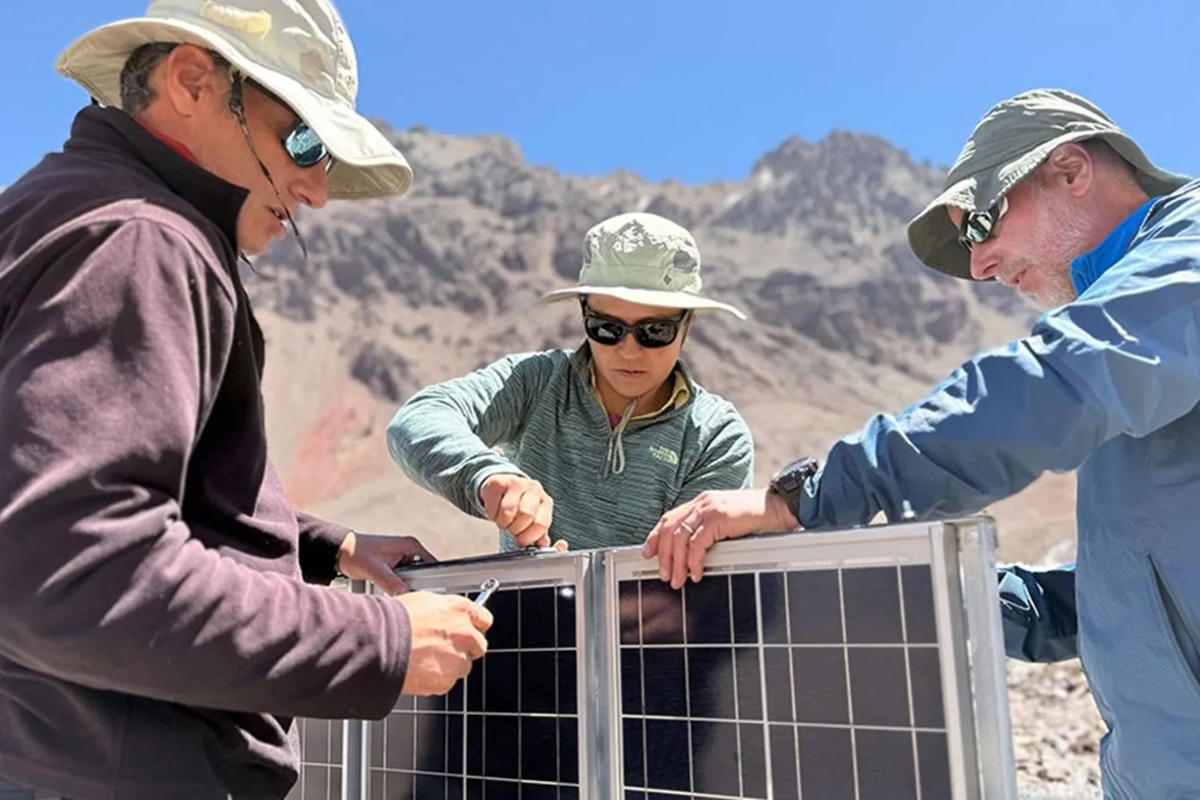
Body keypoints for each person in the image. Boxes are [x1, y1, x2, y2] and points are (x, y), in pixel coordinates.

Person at [644, 88, 1200, 798]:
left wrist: (804, 501)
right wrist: (924, 588)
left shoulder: (1184, 260)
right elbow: (1130, 593)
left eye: (985, 223)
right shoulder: (1137, 333)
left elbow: (1046, 387)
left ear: (1069, 169)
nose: (980, 265)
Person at [0, 1, 492, 798]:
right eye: (303, 139)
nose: (317, 189)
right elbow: (73, 567)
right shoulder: (141, 240)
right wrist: (381, 641)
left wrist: (323, 548)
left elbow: (58, 485)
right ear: (192, 80)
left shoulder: (67, 206)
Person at [387, 212, 754, 551]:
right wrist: (487, 476)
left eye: (654, 331)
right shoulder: (536, 382)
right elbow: (417, 419)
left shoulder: (717, 436)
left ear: (687, 325)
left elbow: (690, 582)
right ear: (584, 315)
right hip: (527, 619)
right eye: (607, 328)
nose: (628, 351)